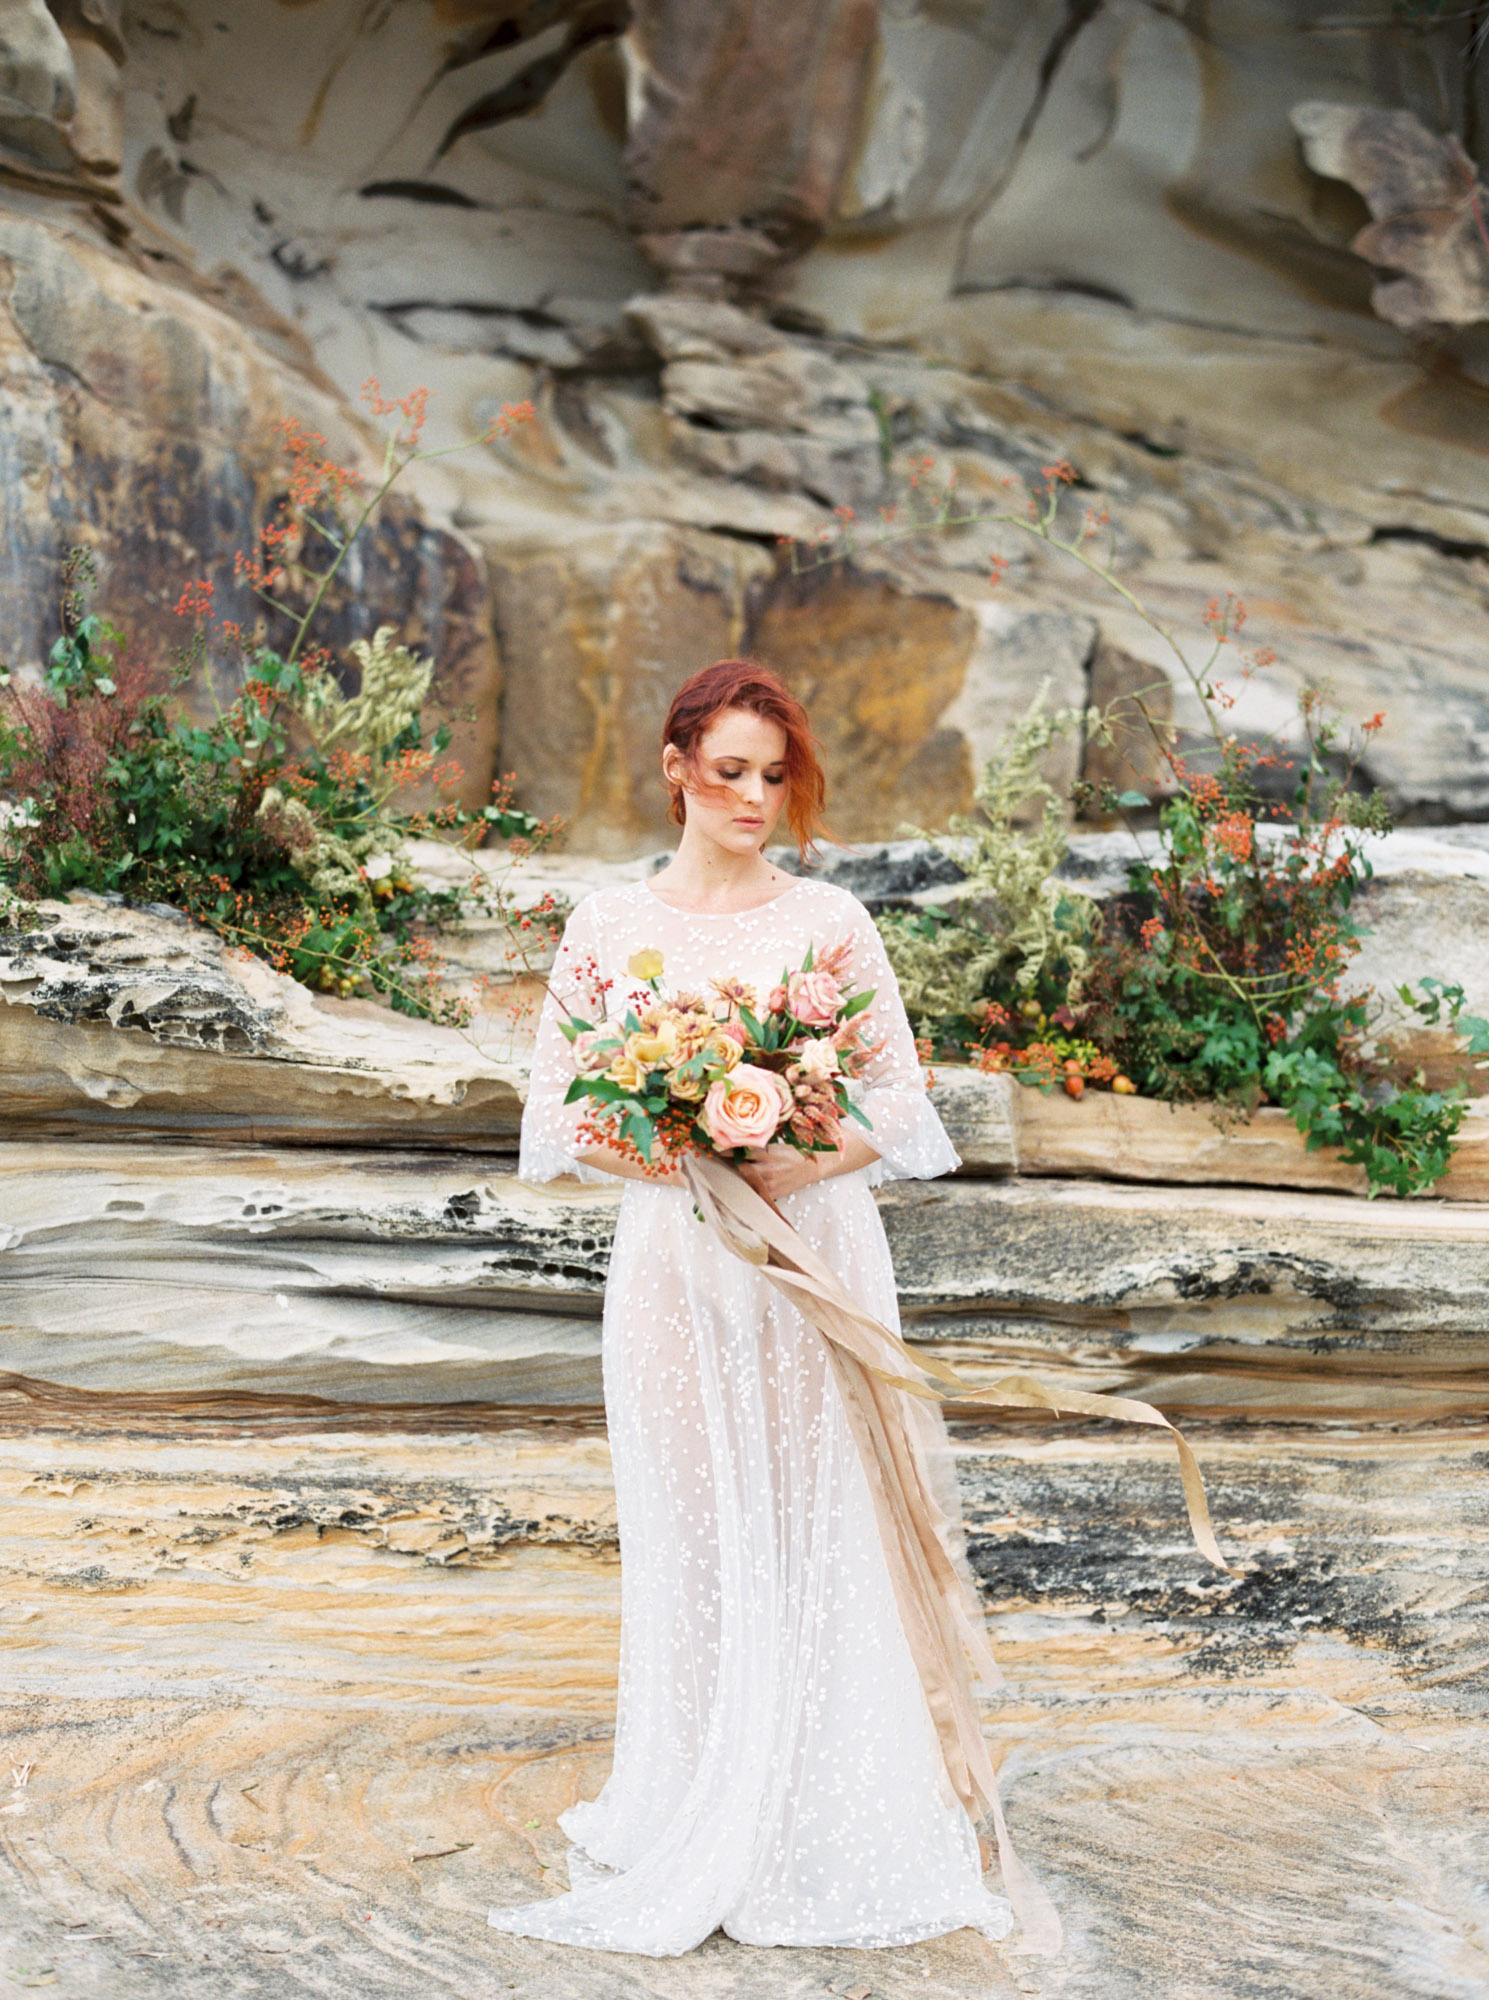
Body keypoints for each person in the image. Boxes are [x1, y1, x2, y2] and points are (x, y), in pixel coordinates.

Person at [487, 659, 1017, 1956]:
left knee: (817, 1519)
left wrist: (798, 1154)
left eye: (774, 776)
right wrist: (683, 1152)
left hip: (812, 1256)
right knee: (694, 1531)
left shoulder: (829, 919)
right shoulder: (609, 926)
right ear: (674, 770)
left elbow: (902, 1106)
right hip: (676, 1264)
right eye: (729, 771)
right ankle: (692, 1796)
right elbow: (555, 1115)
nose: (755, 799)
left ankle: (817, 1812)